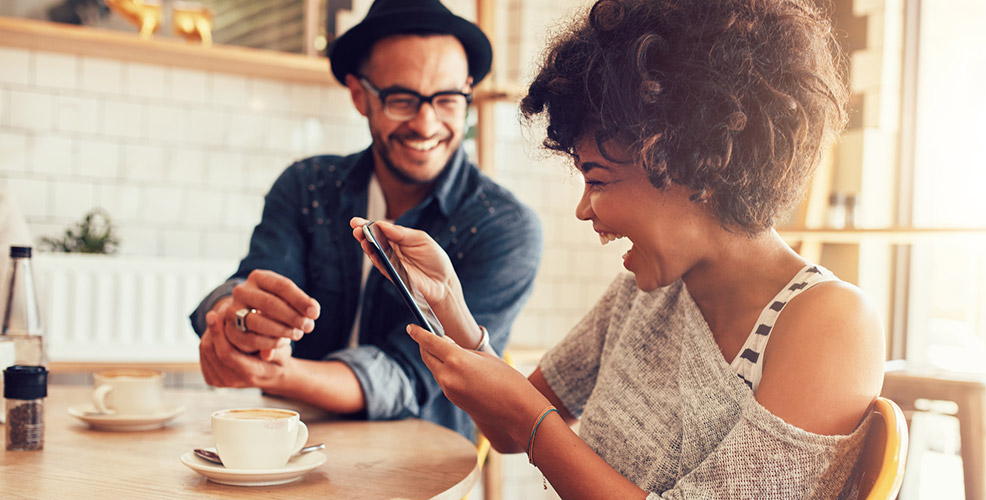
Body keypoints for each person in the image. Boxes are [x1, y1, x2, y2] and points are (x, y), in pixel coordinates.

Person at [352, 0, 885, 497]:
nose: (585, 210)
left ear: (688, 162)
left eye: (598, 180)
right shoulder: (641, 295)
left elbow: (527, 422)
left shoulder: (831, 323)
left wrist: (535, 424)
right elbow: (510, 428)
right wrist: (450, 305)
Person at [189, 0, 542, 441]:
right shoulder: (306, 186)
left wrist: (277, 374)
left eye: (448, 99)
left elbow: (407, 376)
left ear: (468, 92)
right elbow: (251, 286)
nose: (426, 123)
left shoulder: (504, 227)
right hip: (286, 450)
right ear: (360, 95)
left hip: (424, 465)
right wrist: (231, 319)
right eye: (402, 99)